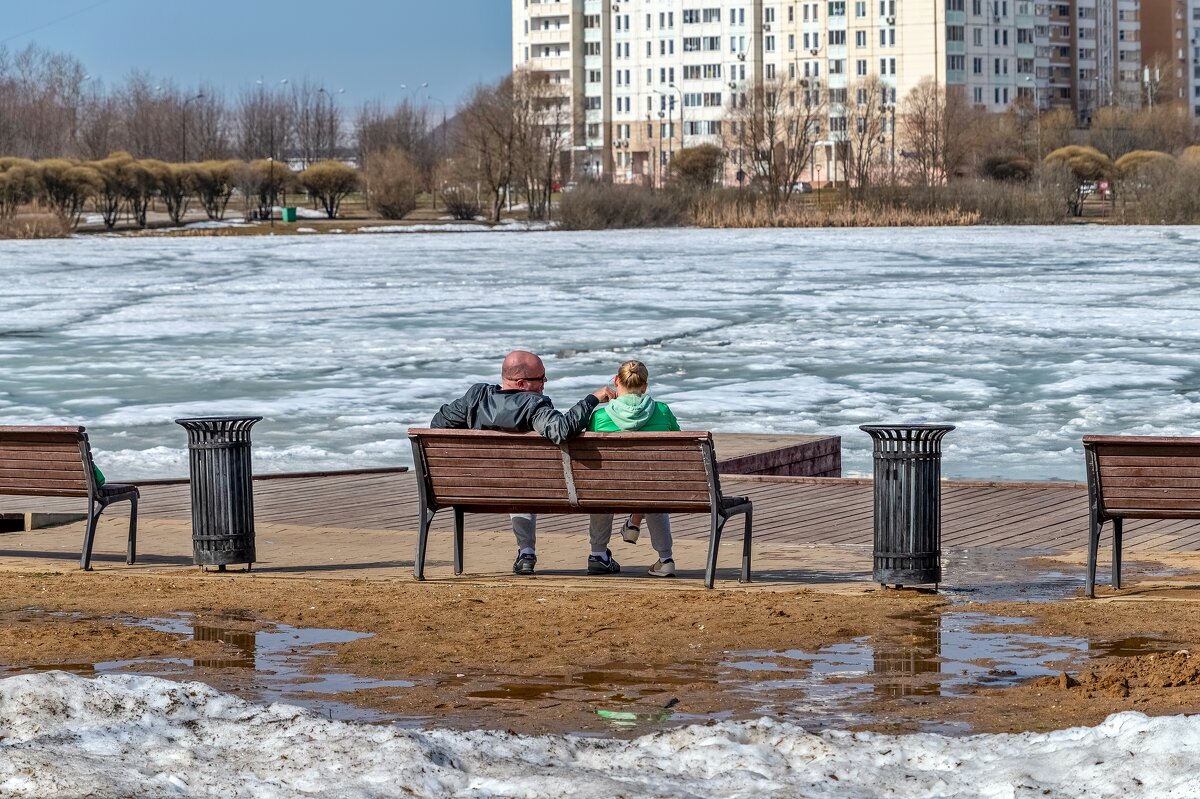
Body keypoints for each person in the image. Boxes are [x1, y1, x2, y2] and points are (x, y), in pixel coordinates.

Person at [430, 350, 616, 576]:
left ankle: (526, 552)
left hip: (477, 490)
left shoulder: (476, 397)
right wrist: (592, 399)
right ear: (520, 383)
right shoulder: (534, 406)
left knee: (517, 480)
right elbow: (562, 430)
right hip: (536, 489)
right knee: (530, 480)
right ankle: (598, 554)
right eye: (541, 379)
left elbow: (438, 423)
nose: (544, 383)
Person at [587, 359, 681, 577]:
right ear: (645, 387)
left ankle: (598, 554)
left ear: (616, 381)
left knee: (602, 489)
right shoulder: (662, 411)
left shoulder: (600, 417)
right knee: (652, 487)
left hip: (610, 489)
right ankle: (665, 558)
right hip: (650, 488)